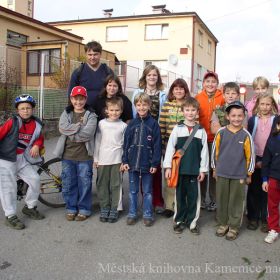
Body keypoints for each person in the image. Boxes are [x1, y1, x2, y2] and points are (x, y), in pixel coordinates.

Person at [163, 97, 209, 234]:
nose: (190, 112)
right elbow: (170, 148)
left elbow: (204, 152)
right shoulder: (177, 129)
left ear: (197, 112)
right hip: (180, 170)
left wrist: (203, 170)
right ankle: (178, 221)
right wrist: (168, 167)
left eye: (193, 110)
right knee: (180, 197)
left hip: (194, 171)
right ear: (182, 111)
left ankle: (192, 222)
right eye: (187, 110)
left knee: (194, 198)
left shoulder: (201, 131)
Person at [0, 94, 45, 230]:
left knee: (35, 179)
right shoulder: (12, 122)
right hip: (6, 159)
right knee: (9, 188)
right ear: (18, 110)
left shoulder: (36, 124)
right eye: (22, 108)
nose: (25, 111)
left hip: (21, 158)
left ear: (33, 109)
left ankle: (30, 207)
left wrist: (37, 144)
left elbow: (40, 137)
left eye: (28, 108)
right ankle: (10, 216)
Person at [212, 101, 255, 241]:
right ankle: (223, 223)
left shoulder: (246, 135)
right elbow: (215, 152)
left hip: (239, 175)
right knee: (222, 199)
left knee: (236, 201)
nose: (236, 118)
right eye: (233, 115)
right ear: (228, 116)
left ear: (244, 117)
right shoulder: (221, 132)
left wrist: (249, 173)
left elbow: (250, 156)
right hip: (222, 173)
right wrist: (214, 168)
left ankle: (234, 226)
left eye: (239, 116)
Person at [54, 86, 97, 221]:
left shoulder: (91, 115)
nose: (78, 102)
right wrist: (78, 126)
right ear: (71, 99)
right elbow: (62, 128)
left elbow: (87, 134)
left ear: (85, 99)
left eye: (81, 99)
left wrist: (71, 132)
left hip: (85, 156)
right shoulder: (66, 113)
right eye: (75, 99)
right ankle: (71, 207)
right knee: (68, 182)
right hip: (67, 155)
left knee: (84, 182)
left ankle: (84, 208)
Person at [122, 93, 161, 227]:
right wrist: (125, 161)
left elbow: (157, 145)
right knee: (133, 191)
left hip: (147, 164)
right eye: (139, 105)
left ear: (149, 106)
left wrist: (155, 163)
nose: (142, 107)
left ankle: (147, 214)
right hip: (132, 164)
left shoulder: (154, 124)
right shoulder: (132, 124)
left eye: (144, 104)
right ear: (135, 106)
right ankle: (132, 213)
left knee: (147, 191)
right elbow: (126, 144)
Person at [131, 65, 166, 213]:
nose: (152, 77)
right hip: (141, 134)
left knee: (155, 168)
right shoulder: (137, 93)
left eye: (154, 75)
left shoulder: (163, 95)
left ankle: (157, 201)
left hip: (156, 133)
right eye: (149, 75)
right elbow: (135, 115)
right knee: (142, 168)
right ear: (145, 77)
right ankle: (146, 201)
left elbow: (163, 116)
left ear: (158, 77)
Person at [159, 78, 190, 218]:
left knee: (184, 176)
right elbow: (162, 126)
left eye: (181, 88)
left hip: (185, 147)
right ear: (172, 91)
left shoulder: (190, 105)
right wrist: (163, 146)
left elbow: (194, 126)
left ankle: (182, 204)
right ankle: (169, 205)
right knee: (169, 175)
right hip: (169, 147)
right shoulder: (167, 106)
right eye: (175, 88)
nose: (178, 91)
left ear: (185, 90)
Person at [246, 94, 278, 232]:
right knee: (253, 190)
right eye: (262, 104)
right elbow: (249, 138)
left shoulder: (275, 120)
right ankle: (253, 217)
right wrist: (255, 161)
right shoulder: (253, 120)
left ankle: (265, 219)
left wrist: (266, 162)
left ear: (272, 106)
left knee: (267, 191)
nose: (265, 107)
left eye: (268, 104)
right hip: (255, 158)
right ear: (257, 104)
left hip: (269, 160)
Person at [94, 97, 127, 223]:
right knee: (102, 184)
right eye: (111, 110)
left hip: (117, 160)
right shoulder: (101, 124)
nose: (114, 112)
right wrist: (96, 158)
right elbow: (97, 141)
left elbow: (125, 145)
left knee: (115, 185)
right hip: (103, 159)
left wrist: (124, 161)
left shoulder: (123, 126)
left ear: (121, 111)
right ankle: (105, 207)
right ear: (107, 110)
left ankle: (115, 208)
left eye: (117, 110)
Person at [195, 71, 225, 211]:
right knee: (202, 169)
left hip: (217, 139)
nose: (210, 84)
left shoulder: (222, 98)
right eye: (208, 81)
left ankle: (214, 200)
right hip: (202, 138)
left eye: (213, 81)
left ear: (217, 83)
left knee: (215, 170)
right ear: (203, 83)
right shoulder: (198, 97)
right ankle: (200, 199)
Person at [67, 41, 114, 107]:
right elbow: (71, 94)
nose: (92, 57)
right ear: (86, 54)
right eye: (90, 54)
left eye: (95, 54)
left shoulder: (108, 71)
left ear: (100, 54)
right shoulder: (78, 72)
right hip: (84, 113)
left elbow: (115, 91)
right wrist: (71, 110)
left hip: (104, 112)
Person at [261, 117, 280, 244]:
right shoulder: (272, 140)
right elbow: (266, 161)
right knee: (272, 205)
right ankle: (273, 228)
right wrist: (264, 179)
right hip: (274, 177)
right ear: (278, 126)